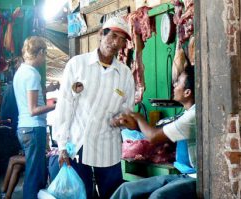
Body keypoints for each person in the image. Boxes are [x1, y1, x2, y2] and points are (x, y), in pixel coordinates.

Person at [54, 16, 135, 199]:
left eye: (121, 40)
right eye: (112, 36)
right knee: (82, 195)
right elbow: (65, 107)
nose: (116, 43)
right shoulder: (77, 65)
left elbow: (127, 110)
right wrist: (61, 145)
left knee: (113, 195)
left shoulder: (125, 74)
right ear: (101, 34)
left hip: (108, 148)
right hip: (78, 145)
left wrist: (122, 120)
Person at [110, 66, 197, 199]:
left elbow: (154, 137)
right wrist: (137, 127)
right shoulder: (187, 114)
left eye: (178, 82)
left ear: (187, 92)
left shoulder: (194, 115)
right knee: (126, 189)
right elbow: (162, 134)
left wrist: (138, 118)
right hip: (182, 175)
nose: (174, 84)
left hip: (195, 178)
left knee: (158, 197)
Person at [13, 36, 56, 199]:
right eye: (44, 54)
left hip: (24, 128)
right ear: (40, 53)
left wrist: (48, 89)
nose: (44, 59)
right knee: (35, 175)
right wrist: (57, 105)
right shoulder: (32, 74)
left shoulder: (21, 72)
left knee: (33, 172)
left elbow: (30, 96)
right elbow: (33, 109)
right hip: (33, 127)